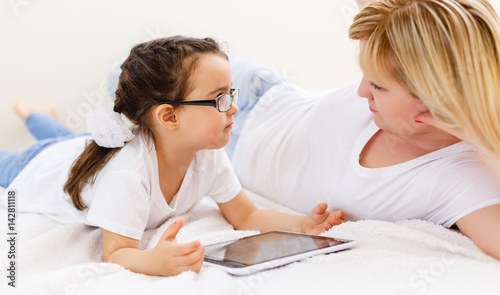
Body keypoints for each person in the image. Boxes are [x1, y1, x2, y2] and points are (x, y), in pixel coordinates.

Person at [0, 36, 346, 277]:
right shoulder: (129, 176)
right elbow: (116, 253)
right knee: (45, 148)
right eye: (219, 98)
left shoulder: (207, 155)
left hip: (80, 149)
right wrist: (154, 261)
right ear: (169, 117)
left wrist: (301, 225)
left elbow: (246, 215)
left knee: (69, 138)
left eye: (231, 93)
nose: (234, 108)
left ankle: (37, 114)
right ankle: (35, 115)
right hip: (38, 166)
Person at [226, 0, 500, 260]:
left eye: (378, 87)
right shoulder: (407, 34)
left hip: (223, 155)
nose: (361, 92)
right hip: (247, 92)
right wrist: (432, 18)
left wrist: (481, 128)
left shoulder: (461, 178)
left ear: (434, 100)